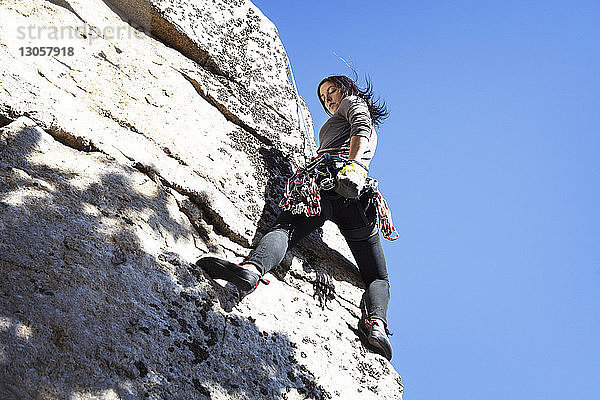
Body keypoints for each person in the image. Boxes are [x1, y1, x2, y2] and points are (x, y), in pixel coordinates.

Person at [197, 75, 395, 361]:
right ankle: (376, 325)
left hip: (331, 181)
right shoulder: (349, 120)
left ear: (347, 88)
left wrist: (353, 166)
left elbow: (360, 127)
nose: (328, 99)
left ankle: (252, 271)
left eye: (331, 91)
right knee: (377, 276)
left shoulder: (353, 103)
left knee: (285, 229)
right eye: (324, 97)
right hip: (358, 202)